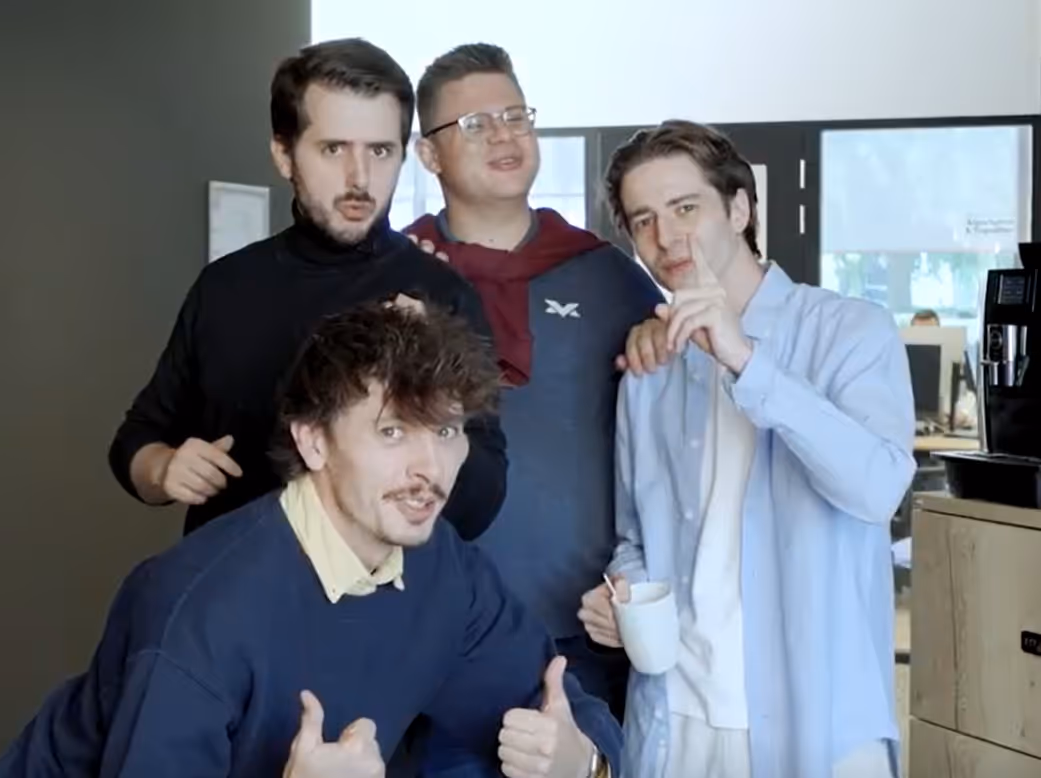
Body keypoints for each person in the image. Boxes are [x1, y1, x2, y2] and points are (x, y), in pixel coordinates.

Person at [0, 305, 620, 778]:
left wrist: (582, 762)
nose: (431, 469)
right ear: (313, 441)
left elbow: (559, 700)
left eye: (449, 429)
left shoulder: (444, 570)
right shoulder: (196, 613)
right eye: (393, 431)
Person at [578, 121, 916, 778]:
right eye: (642, 220)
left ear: (738, 208)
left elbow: (877, 489)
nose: (665, 237)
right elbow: (635, 534)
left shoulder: (849, 331)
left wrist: (740, 356)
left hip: (817, 723)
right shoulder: (648, 367)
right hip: (675, 715)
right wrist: (627, 596)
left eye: (685, 208)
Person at [107, 37, 506, 538]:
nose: (360, 178)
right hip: (235, 590)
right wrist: (164, 469)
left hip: (387, 602)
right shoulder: (225, 288)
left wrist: (432, 378)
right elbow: (136, 440)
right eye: (334, 148)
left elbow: (484, 500)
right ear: (283, 154)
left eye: (380, 151)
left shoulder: (441, 296)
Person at [403, 41, 662, 775]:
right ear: (428, 155)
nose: (505, 135)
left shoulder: (610, 276)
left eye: (515, 115)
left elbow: (681, 446)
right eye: (476, 124)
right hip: (426, 634)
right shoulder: (399, 280)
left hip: (583, 636)